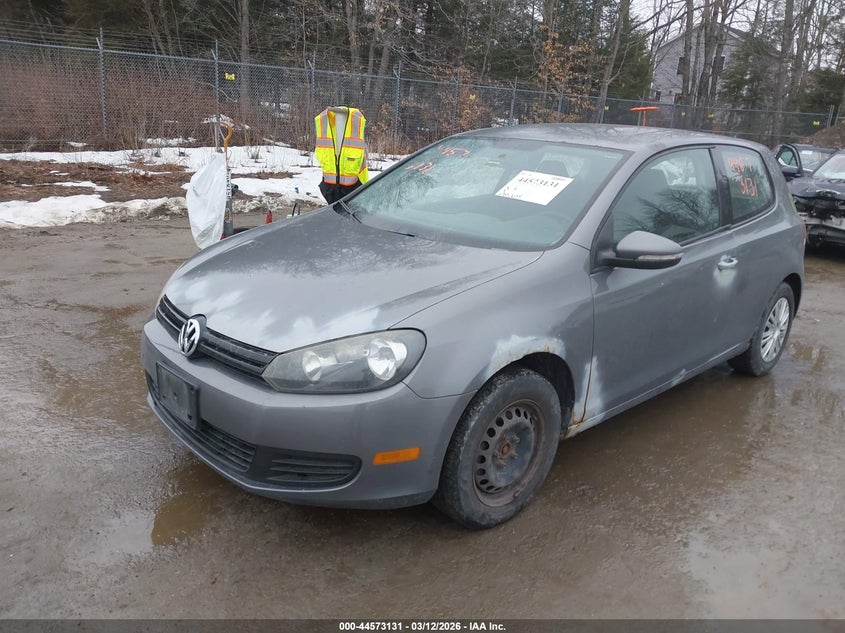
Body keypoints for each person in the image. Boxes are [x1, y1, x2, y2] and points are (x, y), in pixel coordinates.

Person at [314, 106, 370, 204]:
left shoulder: (356, 121)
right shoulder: (322, 121)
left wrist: (365, 187)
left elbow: (361, 165)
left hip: (352, 190)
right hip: (330, 190)